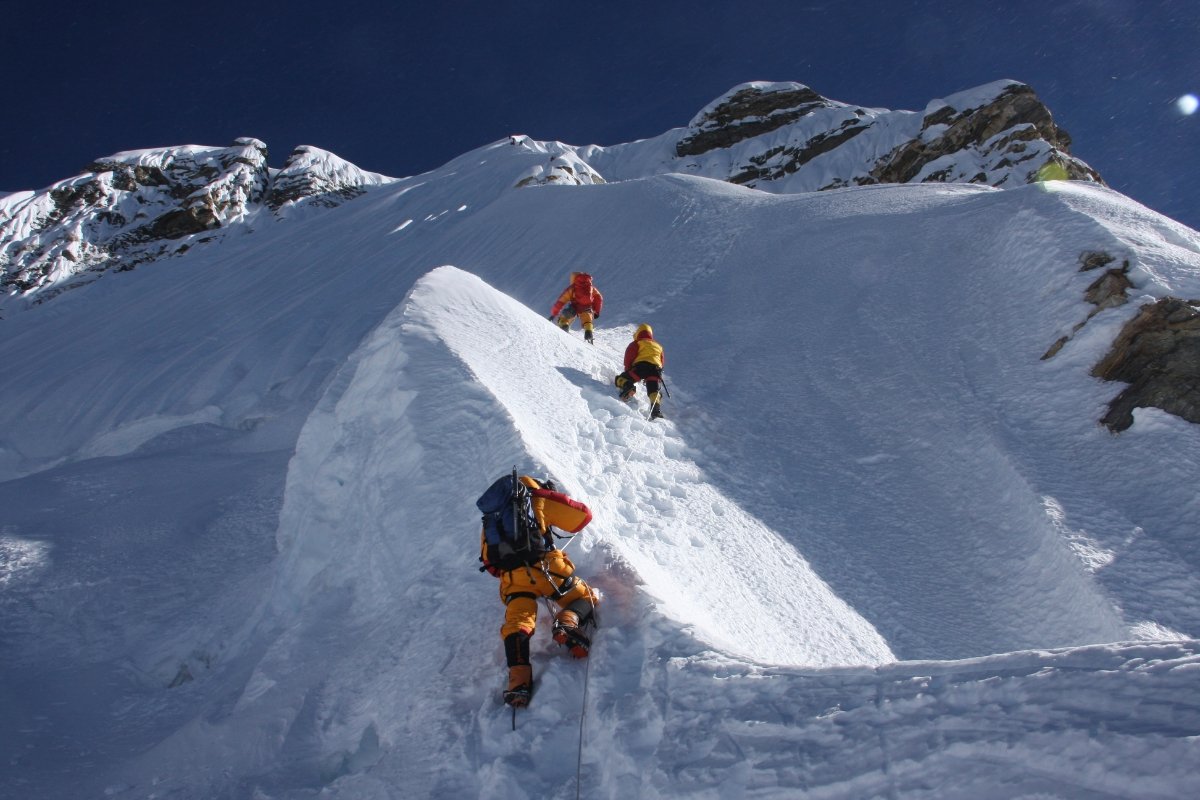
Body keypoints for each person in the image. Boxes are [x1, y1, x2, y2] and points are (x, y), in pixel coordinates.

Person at [477, 473, 599, 708]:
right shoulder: (537, 497)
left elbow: (491, 565)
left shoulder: (491, 518)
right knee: (586, 597)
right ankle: (567, 621)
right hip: (549, 570)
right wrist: (549, 498)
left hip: (515, 581)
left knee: (518, 622)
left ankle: (518, 681)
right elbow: (582, 517)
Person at [615, 323, 666, 419]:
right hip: (655, 370)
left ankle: (628, 386)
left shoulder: (637, 343)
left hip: (640, 368)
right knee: (653, 391)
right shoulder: (658, 346)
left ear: (638, 333)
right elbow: (662, 361)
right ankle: (656, 411)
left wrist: (628, 370)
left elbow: (629, 357)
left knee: (619, 379)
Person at [549, 272, 604, 343]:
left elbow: (561, 301)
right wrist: (597, 311)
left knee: (565, 318)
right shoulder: (591, 288)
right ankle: (588, 332)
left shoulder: (572, 288)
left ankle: (564, 325)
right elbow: (599, 297)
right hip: (587, 308)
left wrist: (554, 313)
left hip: (574, 307)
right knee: (587, 321)